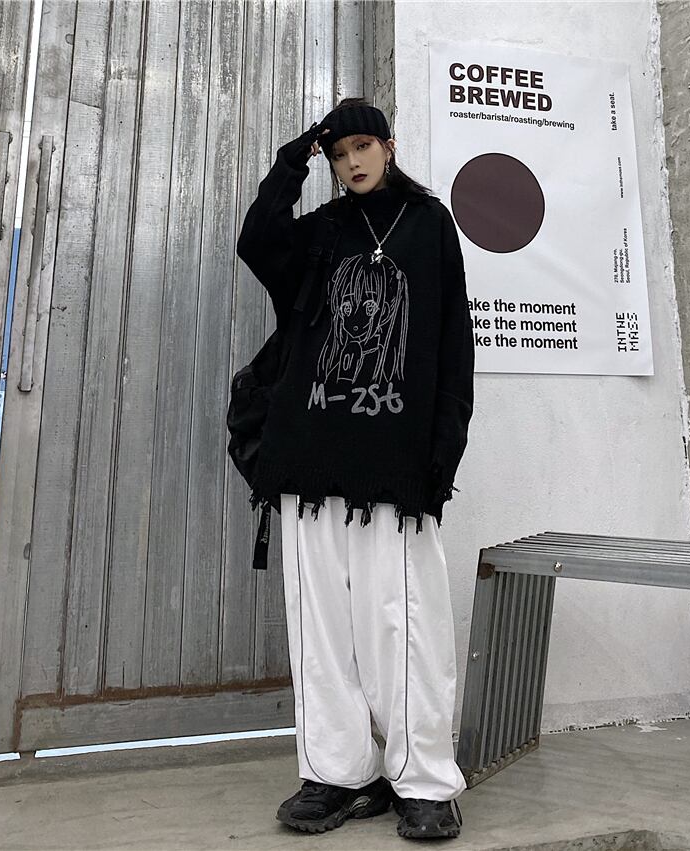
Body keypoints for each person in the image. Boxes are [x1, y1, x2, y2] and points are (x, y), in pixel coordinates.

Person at [235, 98, 475, 840]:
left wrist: (442, 452)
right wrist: (295, 160)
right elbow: (257, 240)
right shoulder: (324, 231)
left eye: (362, 146)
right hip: (309, 458)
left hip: (392, 468)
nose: (352, 162)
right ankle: (338, 774)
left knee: (404, 625)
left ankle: (424, 780)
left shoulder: (430, 225)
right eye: (340, 154)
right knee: (321, 629)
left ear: (388, 146)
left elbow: (453, 344)